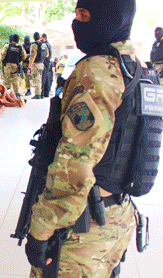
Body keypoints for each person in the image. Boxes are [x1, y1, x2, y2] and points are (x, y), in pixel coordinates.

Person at [25, 1, 140, 277]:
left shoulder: (96, 71)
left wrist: (41, 229)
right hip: (119, 218)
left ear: (110, 18)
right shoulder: (137, 68)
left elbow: (74, 166)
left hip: (82, 229)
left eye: (84, 15)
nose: (76, 23)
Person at [28, 32, 49, 99]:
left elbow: (32, 57)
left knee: (36, 80)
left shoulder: (34, 45)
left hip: (36, 64)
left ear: (34, 37)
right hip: (41, 64)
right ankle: (40, 93)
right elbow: (47, 54)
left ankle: (37, 95)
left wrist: (29, 67)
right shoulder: (44, 45)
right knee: (40, 79)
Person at [41, 33, 53, 98]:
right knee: (47, 78)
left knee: (44, 78)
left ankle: (42, 93)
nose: (40, 39)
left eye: (41, 37)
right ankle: (46, 93)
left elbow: (46, 55)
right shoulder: (48, 44)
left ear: (44, 38)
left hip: (45, 63)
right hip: (47, 63)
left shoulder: (45, 45)